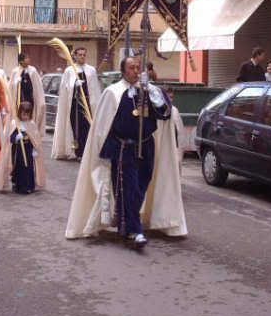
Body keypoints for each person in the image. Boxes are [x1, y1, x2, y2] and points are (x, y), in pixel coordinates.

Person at [65, 57, 187, 248]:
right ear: (123, 71)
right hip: (125, 148)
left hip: (146, 146)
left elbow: (165, 113)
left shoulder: (148, 91)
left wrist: (152, 92)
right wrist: (105, 150)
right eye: (131, 67)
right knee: (128, 187)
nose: (136, 71)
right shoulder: (113, 92)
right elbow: (103, 126)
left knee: (141, 185)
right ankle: (135, 230)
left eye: (138, 67)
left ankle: (125, 222)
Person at [51, 47, 102, 160]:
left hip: (88, 105)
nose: (82, 57)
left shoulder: (91, 70)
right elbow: (65, 88)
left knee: (87, 128)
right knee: (76, 128)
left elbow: (95, 89)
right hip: (75, 105)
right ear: (75, 56)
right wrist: (75, 84)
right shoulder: (69, 70)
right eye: (80, 54)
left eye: (84, 55)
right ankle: (78, 152)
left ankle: (86, 152)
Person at [0, 101, 46, 194]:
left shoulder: (31, 124)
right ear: (19, 113)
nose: (25, 117)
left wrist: (35, 150)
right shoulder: (15, 124)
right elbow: (10, 137)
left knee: (29, 168)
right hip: (18, 151)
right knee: (19, 168)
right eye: (23, 114)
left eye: (27, 115)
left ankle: (29, 186)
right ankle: (19, 187)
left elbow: (35, 139)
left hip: (28, 150)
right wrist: (16, 137)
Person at [9, 52, 46, 135]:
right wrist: (16, 82)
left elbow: (37, 86)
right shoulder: (15, 71)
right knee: (19, 115)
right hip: (19, 100)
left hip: (29, 98)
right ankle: (18, 132)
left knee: (29, 115)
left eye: (28, 58)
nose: (28, 60)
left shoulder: (33, 70)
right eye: (26, 58)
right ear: (21, 61)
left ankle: (29, 133)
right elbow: (11, 87)